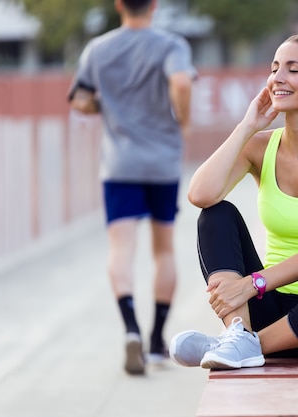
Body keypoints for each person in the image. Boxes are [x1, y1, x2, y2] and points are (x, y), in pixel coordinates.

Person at [168, 34, 298, 370]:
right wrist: (247, 126)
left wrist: (251, 285)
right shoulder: (261, 147)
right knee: (215, 214)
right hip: (270, 310)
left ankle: (242, 345)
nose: (277, 78)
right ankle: (239, 334)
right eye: (274, 68)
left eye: (293, 70)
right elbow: (200, 195)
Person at [67, 0, 196, 375]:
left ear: (118, 4)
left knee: (120, 248)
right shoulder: (172, 45)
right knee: (163, 249)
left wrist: (107, 106)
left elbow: (79, 98)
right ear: (154, 5)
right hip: (162, 162)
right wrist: (183, 122)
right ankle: (156, 342)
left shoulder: (98, 48)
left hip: (119, 163)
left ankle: (130, 329)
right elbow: (182, 82)